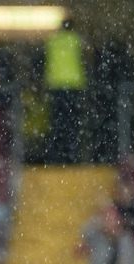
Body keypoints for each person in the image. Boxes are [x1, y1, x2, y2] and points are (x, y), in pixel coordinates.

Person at [44, 18, 87, 164]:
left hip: (56, 85)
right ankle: (71, 155)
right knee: (72, 123)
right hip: (73, 85)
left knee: (57, 122)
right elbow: (85, 53)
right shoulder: (75, 40)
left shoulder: (52, 41)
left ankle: (56, 155)